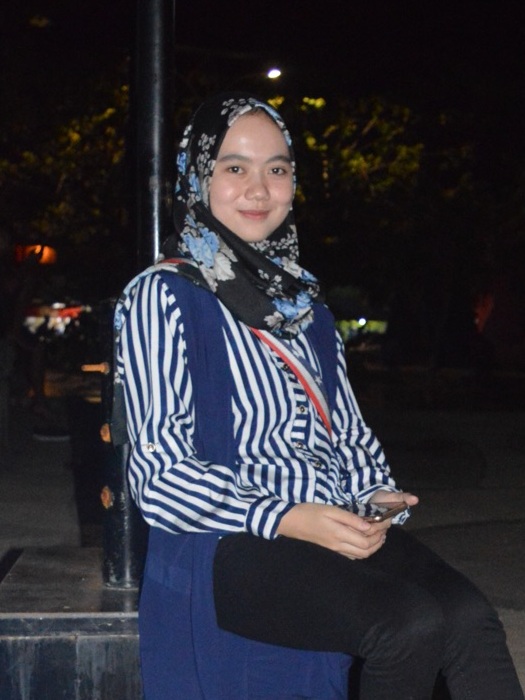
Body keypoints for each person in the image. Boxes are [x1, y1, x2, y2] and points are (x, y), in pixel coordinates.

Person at [114, 93, 524, 700]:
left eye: (277, 168)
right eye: (234, 167)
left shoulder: (305, 309)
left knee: (468, 619)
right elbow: (159, 475)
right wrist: (286, 516)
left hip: (326, 527)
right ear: (197, 178)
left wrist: (375, 493)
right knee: (405, 625)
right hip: (229, 541)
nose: (259, 188)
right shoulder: (164, 296)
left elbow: (348, 436)